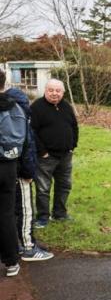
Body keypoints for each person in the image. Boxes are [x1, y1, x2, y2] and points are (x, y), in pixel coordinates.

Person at [5, 86, 54, 261]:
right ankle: (28, 247)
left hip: (7, 170)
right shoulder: (20, 117)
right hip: (18, 172)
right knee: (25, 210)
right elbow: (26, 146)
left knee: (8, 211)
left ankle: (14, 245)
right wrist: (28, 171)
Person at [30, 78, 79, 228]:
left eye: (58, 91)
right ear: (45, 91)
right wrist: (42, 152)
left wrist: (72, 146)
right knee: (43, 188)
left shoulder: (66, 106)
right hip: (46, 157)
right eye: (51, 90)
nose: (54, 93)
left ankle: (60, 214)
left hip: (65, 155)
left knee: (64, 186)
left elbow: (74, 126)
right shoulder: (37, 107)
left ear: (63, 92)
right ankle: (43, 218)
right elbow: (31, 132)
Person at [0, 68, 31, 277]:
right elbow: (25, 138)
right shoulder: (16, 107)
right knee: (6, 214)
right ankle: (11, 262)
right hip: (8, 165)